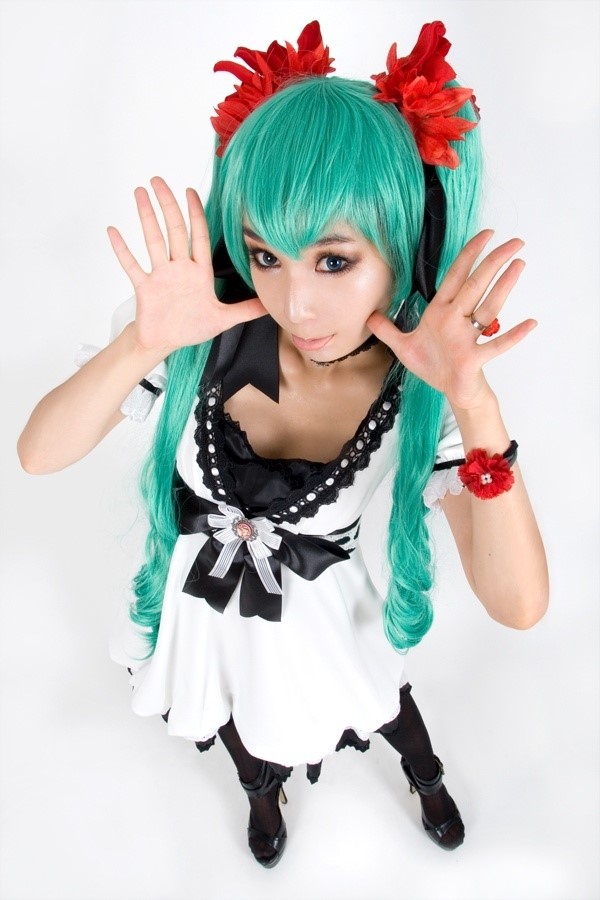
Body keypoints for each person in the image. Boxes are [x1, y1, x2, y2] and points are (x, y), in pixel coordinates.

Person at [17, 20, 548, 868]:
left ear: (404, 247)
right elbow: (38, 454)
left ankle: (426, 776)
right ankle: (262, 798)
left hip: (326, 616)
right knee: (233, 711)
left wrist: (474, 402)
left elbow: (519, 606)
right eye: (266, 255)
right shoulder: (199, 332)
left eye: (333, 262)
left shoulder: (423, 398)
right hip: (206, 610)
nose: (295, 305)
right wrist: (142, 344)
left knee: (381, 704)